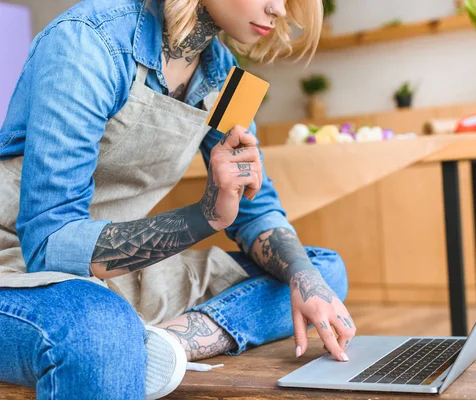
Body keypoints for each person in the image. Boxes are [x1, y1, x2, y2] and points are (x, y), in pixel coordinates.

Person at [0, 0, 356, 398]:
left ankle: (165, 344)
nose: (278, 9)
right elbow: (51, 247)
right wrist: (206, 216)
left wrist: (305, 280)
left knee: (319, 272)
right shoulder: (88, 41)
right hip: (20, 269)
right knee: (98, 327)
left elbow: (257, 212)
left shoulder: (226, 79)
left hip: (111, 275)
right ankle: (127, 336)